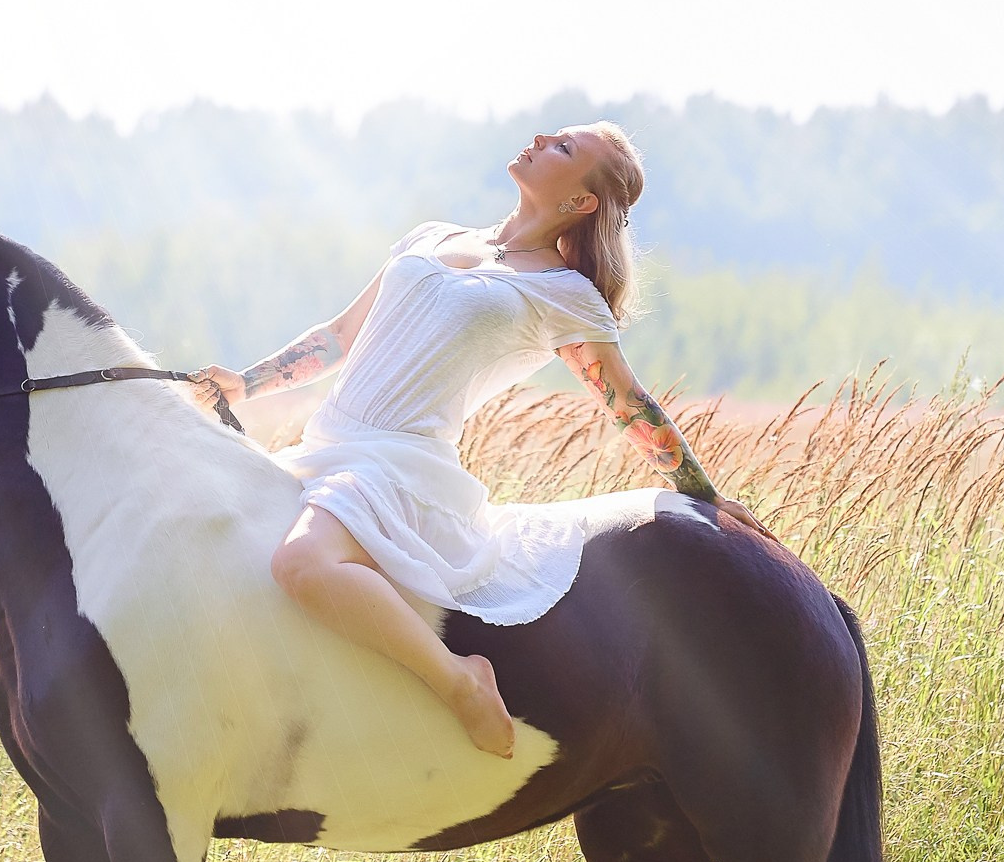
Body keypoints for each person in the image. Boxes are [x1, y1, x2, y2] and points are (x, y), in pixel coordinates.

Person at [206, 124, 758, 758]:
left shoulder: (563, 294)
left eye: (565, 148)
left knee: (300, 564)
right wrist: (242, 385)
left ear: (581, 203)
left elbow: (624, 401)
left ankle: (460, 682)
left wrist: (704, 493)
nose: (543, 136)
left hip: (399, 468)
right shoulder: (431, 238)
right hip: (326, 448)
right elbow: (339, 336)